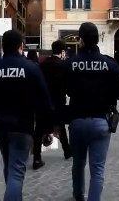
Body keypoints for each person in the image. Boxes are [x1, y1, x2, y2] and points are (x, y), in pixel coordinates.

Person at [0, 30, 53, 201]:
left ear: (3, 47)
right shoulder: (31, 69)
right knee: (16, 171)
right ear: (20, 46)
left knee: (9, 165)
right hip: (23, 126)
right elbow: (45, 101)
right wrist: (47, 129)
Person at [64, 22, 119, 201]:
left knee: (78, 164)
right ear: (98, 39)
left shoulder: (71, 64)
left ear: (81, 40)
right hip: (101, 121)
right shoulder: (109, 63)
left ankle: (78, 196)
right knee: (98, 168)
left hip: (77, 120)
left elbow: (63, 89)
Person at [32, 40, 72, 170]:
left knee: (38, 130)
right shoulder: (64, 65)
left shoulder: (42, 64)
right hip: (58, 101)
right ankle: (67, 151)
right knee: (60, 127)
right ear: (62, 51)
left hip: (43, 101)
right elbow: (67, 84)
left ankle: (37, 158)